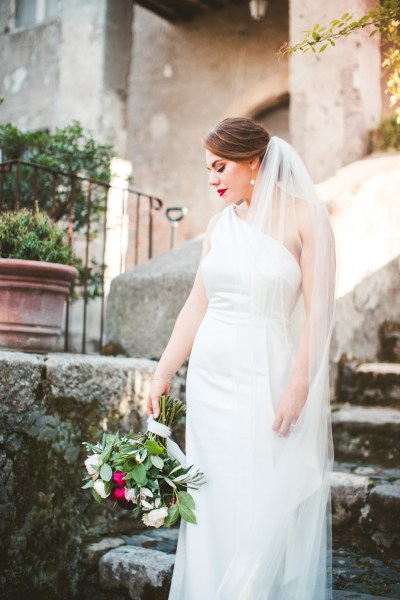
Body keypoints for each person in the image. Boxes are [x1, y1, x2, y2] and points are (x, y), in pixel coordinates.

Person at [147, 117, 337, 599]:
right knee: (211, 499)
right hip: (210, 383)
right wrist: (164, 370)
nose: (211, 179)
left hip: (267, 377)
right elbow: (196, 303)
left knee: (259, 499)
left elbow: (319, 312)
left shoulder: (306, 218)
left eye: (220, 166)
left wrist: (300, 384)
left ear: (255, 162)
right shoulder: (219, 225)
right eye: (208, 169)